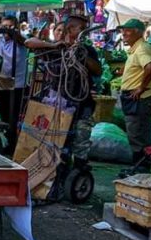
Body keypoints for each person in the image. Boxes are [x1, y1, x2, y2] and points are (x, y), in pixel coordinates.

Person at [26, 15, 101, 171]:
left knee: (80, 137)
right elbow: (28, 42)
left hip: (81, 102)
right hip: (56, 102)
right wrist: (55, 46)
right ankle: (57, 167)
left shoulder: (86, 50)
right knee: (58, 137)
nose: (85, 32)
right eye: (82, 28)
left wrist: (81, 54)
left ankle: (80, 167)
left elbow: (97, 70)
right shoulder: (54, 47)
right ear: (71, 29)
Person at [117, 19, 151, 176]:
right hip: (137, 98)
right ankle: (140, 168)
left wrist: (140, 87)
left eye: (128, 30)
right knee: (139, 134)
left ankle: (140, 169)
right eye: (123, 30)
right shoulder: (138, 49)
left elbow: (150, 67)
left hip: (140, 99)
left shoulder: (142, 48)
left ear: (139, 32)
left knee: (137, 135)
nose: (124, 33)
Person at [0, 16, 31, 154]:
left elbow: (24, 41)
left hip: (17, 83)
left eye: (9, 26)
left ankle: (13, 144)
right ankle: (6, 142)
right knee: (3, 114)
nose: (6, 30)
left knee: (13, 116)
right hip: (2, 79)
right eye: (5, 26)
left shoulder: (21, 40)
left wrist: (12, 32)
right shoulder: (0, 39)